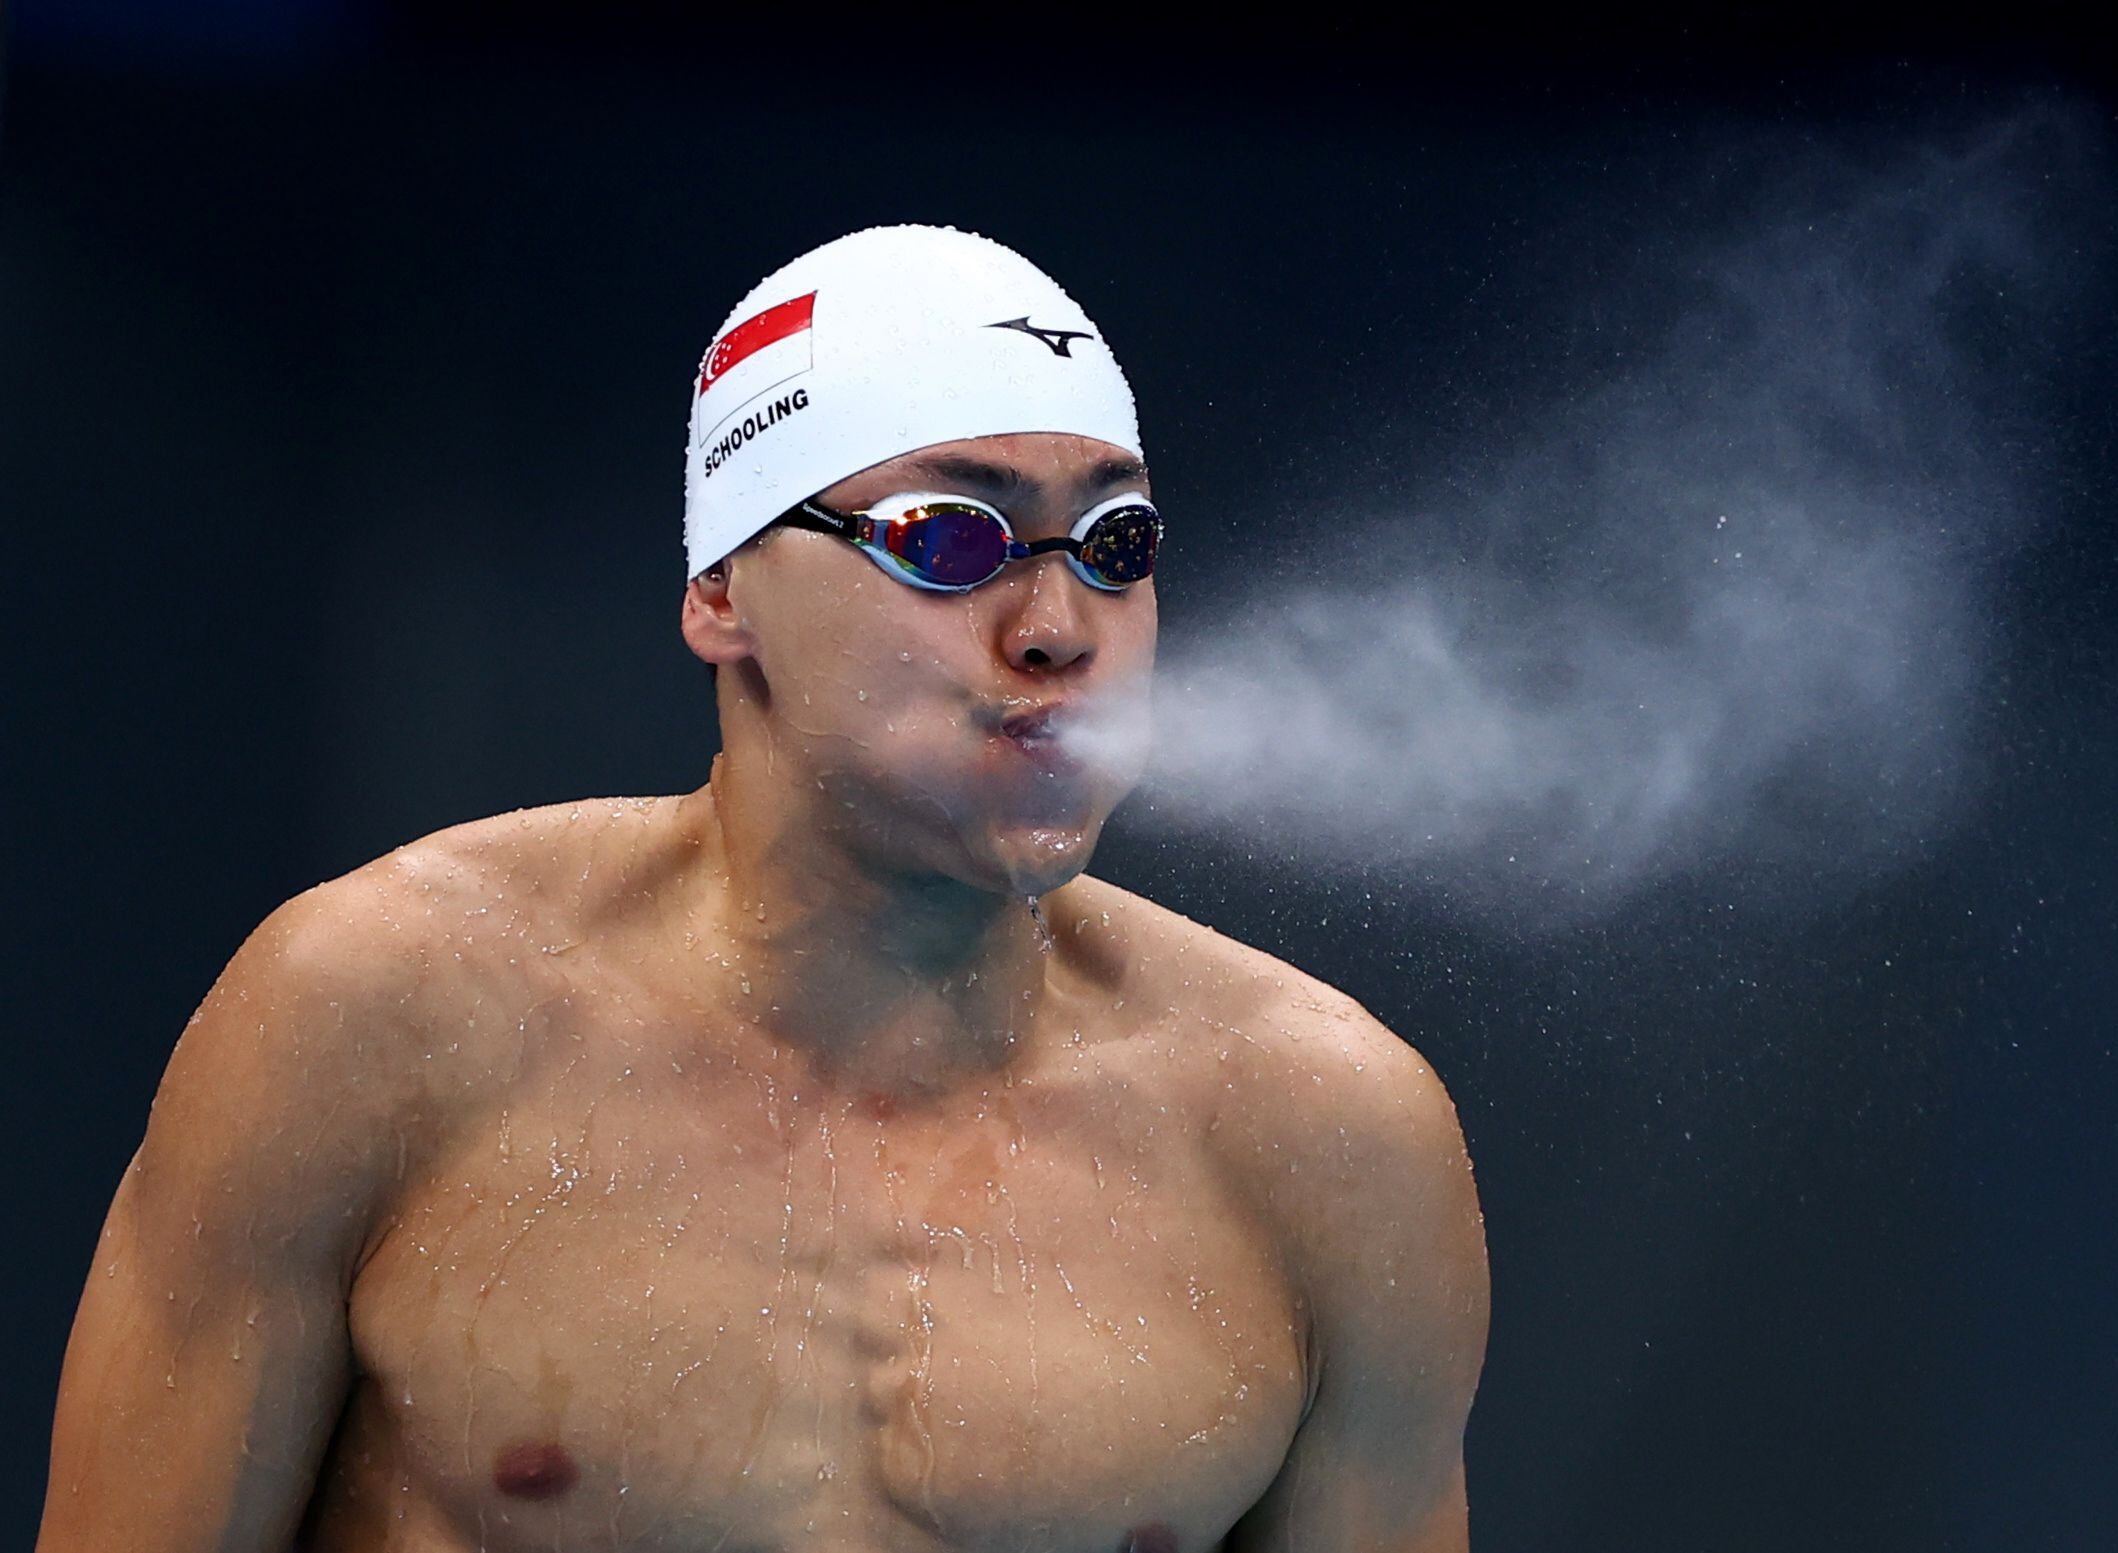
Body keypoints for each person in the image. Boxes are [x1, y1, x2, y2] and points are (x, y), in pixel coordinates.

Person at [37, 226, 1490, 1553]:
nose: (1056, 628)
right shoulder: (384, 1014)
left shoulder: (1325, 1135)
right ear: (724, 590)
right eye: (947, 537)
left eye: (1113, 545)